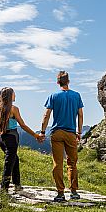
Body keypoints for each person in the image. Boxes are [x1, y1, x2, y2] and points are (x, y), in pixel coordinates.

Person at [38, 71, 84, 202]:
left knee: (57, 163)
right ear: (68, 81)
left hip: (57, 133)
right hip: (71, 133)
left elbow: (46, 115)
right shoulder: (76, 96)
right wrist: (79, 132)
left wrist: (42, 131)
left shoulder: (53, 96)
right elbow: (80, 115)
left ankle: (60, 193)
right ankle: (74, 191)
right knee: (72, 163)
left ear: (58, 82)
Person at [0, 87, 40, 192]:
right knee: (9, 162)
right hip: (11, 139)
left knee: (14, 160)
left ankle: (17, 184)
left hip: (3, 139)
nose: (15, 95)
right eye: (14, 94)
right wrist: (35, 135)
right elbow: (22, 125)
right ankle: (4, 187)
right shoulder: (13, 109)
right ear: (10, 96)